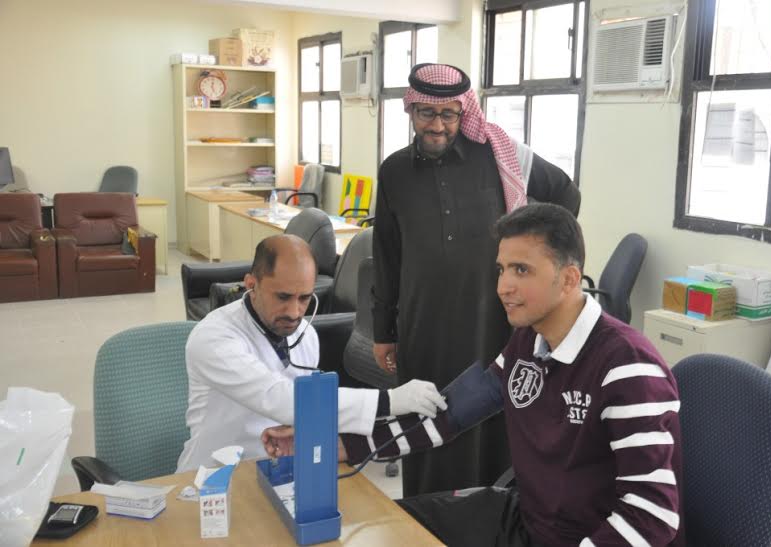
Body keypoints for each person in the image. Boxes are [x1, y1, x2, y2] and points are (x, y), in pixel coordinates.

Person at [265, 204, 684, 546]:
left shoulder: (626, 365)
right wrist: (340, 445)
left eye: (522, 270)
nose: (503, 286)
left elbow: (652, 512)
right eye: (502, 269)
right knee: (386, 528)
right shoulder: (528, 340)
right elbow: (451, 414)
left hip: (585, 537)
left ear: (569, 279)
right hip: (529, 519)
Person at [372, 62, 582, 496]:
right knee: (425, 418)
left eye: (448, 114)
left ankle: (489, 515)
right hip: (423, 325)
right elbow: (387, 255)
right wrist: (383, 331)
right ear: (410, 110)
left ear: (463, 112)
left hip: (493, 322)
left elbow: (565, 192)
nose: (438, 126)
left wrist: (535, 256)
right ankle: (425, 514)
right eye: (427, 114)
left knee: (492, 425)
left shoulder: (498, 153)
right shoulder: (393, 171)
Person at [176, 235, 446, 472]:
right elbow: (281, 398)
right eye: (283, 297)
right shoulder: (214, 337)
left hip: (282, 468)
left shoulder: (306, 336)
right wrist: (390, 401)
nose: (294, 313)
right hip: (214, 476)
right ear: (251, 284)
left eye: (304, 298)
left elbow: (302, 411)